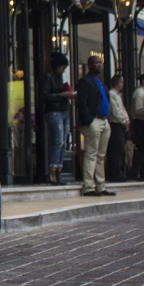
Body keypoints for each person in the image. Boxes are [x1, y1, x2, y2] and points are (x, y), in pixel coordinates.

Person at [75, 55, 115, 197]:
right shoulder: (85, 81)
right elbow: (82, 103)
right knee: (91, 154)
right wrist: (89, 120)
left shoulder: (100, 82)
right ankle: (88, 186)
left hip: (104, 121)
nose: (100, 65)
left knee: (100, 155)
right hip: (94, 121)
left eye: (101, 62)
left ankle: (100, 185)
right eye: (96, 63)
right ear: (90, 65)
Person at [40, 52, 75, 185]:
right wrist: (62, 95)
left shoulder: (58, 78)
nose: (63, 70)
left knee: (63, 142)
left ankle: (59, 170)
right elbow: (44, 96)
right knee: (58, 141)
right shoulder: (48, 77)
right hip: (54, 111)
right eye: (62, 67)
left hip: (62, 111)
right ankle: (53, 172)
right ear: (57, 66)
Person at [105, 74, 130, 183]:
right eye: (122, 82)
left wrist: (127, 119)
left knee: (120, 150)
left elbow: (122, 109)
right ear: (118, 83)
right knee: (115, 150)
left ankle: (119, 172)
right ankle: (114, 173)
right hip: (115, 124)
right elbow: (115, 110)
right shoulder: (111, 94)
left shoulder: (118, 95)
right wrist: (123, 120)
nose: (122, 85)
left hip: (120, 124)